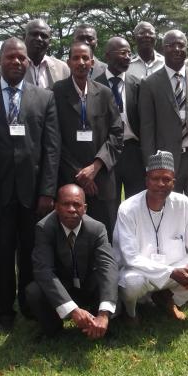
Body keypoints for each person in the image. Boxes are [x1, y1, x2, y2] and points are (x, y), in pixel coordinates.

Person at [0, 37, 61, 332]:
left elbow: (51, 149)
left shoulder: (43, 97)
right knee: (0, 254)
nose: (17, 62)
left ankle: (30, 303)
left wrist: (48, 192)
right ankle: (2, 310)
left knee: (33, 251)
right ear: (0, 60)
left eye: (21, 58)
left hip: (34, 194)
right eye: (10, 57)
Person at [114, 151, 188, 320]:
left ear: (173, 182)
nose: (160, 184)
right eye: (155, 179)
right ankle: (130, 313)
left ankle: (168, 298)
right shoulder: (128, 208)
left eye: (166, 179)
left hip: (174, 268)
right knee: (132, 283)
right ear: (146, 180)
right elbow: (130, 258)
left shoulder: (183, 203)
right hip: (141, 271)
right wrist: (171, 272)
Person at [139, 29, 188, 224]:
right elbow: (147, 128)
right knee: (167, 212)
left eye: (180, 45)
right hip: (165, 161)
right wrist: (151, 164)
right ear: (162, 49)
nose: (176, 49)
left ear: (187, 48)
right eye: (171, 45)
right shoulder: (150, 84)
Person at [26, 184, 118, 339]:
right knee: (34, 291)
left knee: (113, 282)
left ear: (85, 208)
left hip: (87, 284)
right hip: (63, 285)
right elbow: (44, 271)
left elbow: (108, 266)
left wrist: (103, 313)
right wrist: (73, 310)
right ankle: (54, 330)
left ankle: (100, 324)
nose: (71, 209)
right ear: (56, 207)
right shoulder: (44, 228)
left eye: (76, 204)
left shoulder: (97, 228)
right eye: (65, 204)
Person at [52, 42, 124, 237]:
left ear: (92, 62)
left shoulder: (105, 93)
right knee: (71, 234)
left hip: (102, 178)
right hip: (70, 178)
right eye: (76, 58)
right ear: (68, 62)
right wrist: (80, 174)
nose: (81, 62)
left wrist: (95, 167)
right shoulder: (56, 93)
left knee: (104, 234)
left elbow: (117, 133)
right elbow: (54, 138)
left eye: (85, 58)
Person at [95, 36, 144, 202]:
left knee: (137, 203)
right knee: (110, 203)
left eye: (130, 53)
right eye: (123, 53)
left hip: (133, 152)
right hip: (107, 152)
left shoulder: (138, 85)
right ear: (108, 55)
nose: (128, 57)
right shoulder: (95, 85)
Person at [0, 19, 69, 89]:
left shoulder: (63, 68)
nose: (39, 39)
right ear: (24, 37)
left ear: (50, 42)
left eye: (44, 36)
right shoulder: (0, 68)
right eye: (34, 34)